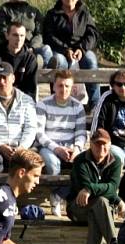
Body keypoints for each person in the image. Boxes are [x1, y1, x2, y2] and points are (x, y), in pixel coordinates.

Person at [66, 129, 122, 244]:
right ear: (90, 144)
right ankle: (114, 243)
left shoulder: (116, 161)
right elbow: (82, 188)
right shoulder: (80, 161)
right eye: (97, 145)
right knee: (100, 203)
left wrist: (90, 188)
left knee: (97, 209)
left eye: (104, 145)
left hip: (99, 210)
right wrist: (114, 198)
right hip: (77, 207)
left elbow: (113, 188)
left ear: (110, 145)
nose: (101, 148)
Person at [35, 69, 88, 216]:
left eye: (67, 86)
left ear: (72, 88)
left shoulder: (77, 106)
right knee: (52, 163)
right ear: (53, 86)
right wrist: (57, 148)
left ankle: (67, 198)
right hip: (49, 146)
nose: (63, 89)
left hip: (71, 147)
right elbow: (39, 133)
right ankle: (57, 196)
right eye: (60, 85)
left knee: (82, 164)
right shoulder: (43, 104)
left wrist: (77, 148)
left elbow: (81, 133)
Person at [0, 62, 37, 173]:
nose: (1, 81)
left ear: (13, 78)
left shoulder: (27, 100)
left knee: (28, 161)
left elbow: (31, 128)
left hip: (20, 146)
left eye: (4, 77)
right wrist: (0, 146)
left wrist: (22, 147)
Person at [43, 0, 101, 108]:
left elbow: (92, 34)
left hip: (81, 50)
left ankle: (95, 106)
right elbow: (49, 36)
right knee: (58, 62)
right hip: (60, 50)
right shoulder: (52, 14)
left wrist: (81, 49)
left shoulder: (84, 12)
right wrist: (66, 49)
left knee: (91, 61)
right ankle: (59, 103)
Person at [0, 22, 38, 100]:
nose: (19, 39)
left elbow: (31, 90)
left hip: (22, 102)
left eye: (22, 36)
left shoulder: (30, 59)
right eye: (15, 35)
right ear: (7, 36)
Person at [0, 0, 52, 66]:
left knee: (46, 49)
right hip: (13, 45)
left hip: (32, 45)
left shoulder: (34, 11)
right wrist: (22, 46)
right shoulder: (3, 10)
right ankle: (36, 64)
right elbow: (3, 31)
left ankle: (44, 71)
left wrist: (32, 47)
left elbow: (39, 33)